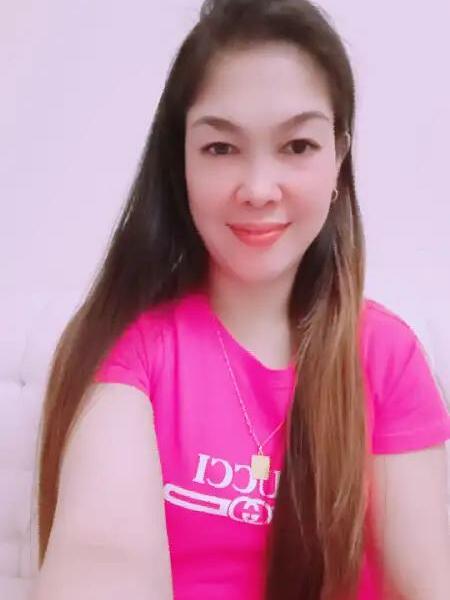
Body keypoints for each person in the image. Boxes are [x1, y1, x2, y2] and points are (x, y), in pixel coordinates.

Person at [32, 1, 450, 599]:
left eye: (297, 146)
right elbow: (101, 557)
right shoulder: (127, 345)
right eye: (221, 148)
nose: (257, 189)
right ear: (180, 164)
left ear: (339, 160)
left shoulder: (387, 355)